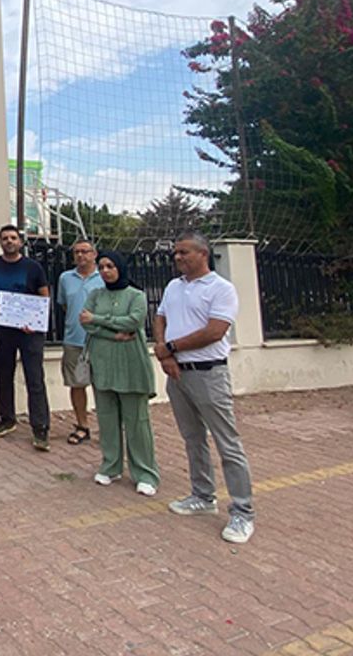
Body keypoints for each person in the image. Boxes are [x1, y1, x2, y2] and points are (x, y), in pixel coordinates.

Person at [154, 231, 255, 544]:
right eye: (175, 253)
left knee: (227, 442)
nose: (177, 257)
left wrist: (171, 347)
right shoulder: (173, 286)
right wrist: (164, 353)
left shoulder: (221, 289)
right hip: (177, 374)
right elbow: (160, 317)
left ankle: (242, 512)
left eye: (184, 252)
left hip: (209, 374)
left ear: (203, 254)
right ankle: (202, 495)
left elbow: (215, 331)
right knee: (193, 438)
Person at [80, 251, 159, 495]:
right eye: (102, 267)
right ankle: (111, 466)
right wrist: (113, 334)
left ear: (120, 268)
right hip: (102, 363)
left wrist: (98, 319)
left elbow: (134, 322)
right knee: (107, 419)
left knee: (137, 422)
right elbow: (85, 323)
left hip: (130, 364)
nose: (105, 271)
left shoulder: (136, 295)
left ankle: (145, 473)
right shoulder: (95, 295)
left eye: (110, 266)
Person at [0, 224, 52, 452]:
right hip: (3, 328)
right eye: (5, 238)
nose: (9, 241)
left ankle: (40, 428)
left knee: (34, 378)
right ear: (0, 242)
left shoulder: (33, 267)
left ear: (20, 242)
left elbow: (44, 296)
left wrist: (35, 321)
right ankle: (7, 419)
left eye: (12, 238)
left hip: (30, 332)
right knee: (4, 375)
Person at [57, 239, 103, 446]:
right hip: (73, 340)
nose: (81, 255)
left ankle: (108, 427)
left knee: (103, 386)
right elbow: (64, 305)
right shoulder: (65, 278)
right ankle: (82, 425)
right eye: (77, 252)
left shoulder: (103, 277)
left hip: (101, 340)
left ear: (94, 254)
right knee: (76, 384)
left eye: (85, 251)